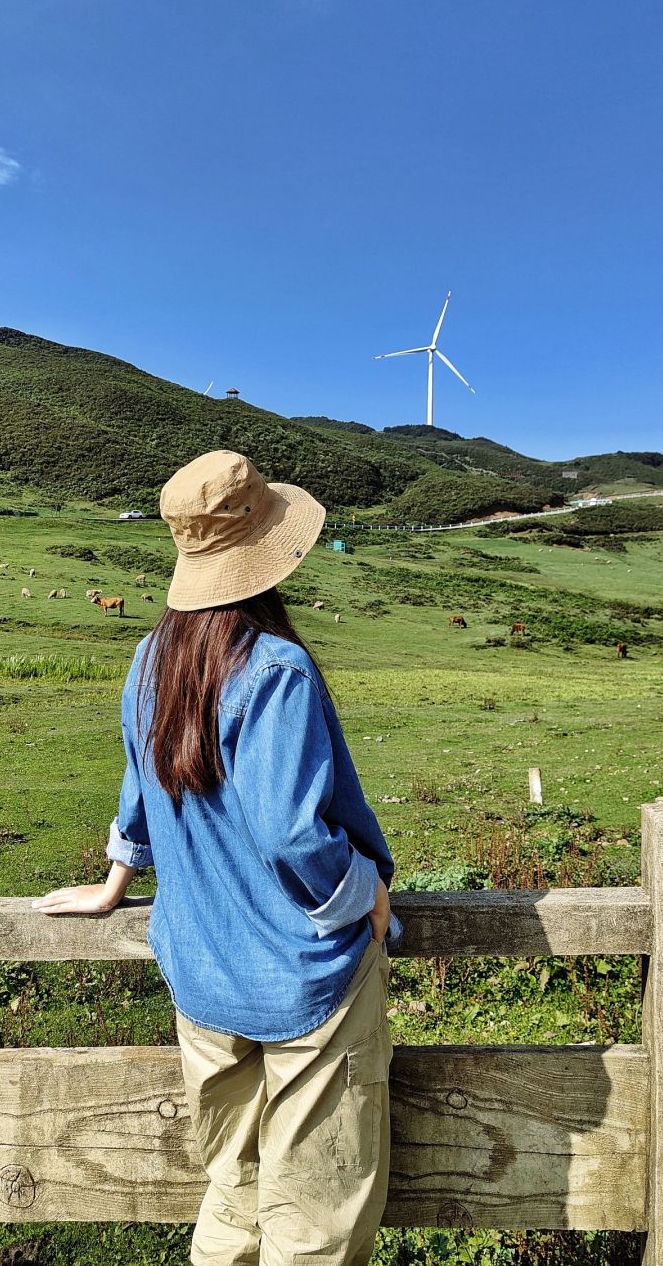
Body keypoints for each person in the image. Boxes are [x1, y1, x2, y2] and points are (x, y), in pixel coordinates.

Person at [33, 449, 400, 1266]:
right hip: (305, 975)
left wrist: (115, 881)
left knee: (232, 1195)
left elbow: (138, 782)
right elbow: (289, 832)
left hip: (199, 968)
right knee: (316, 1219)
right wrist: (361, 890)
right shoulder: (277, 667)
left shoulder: (149, 659)